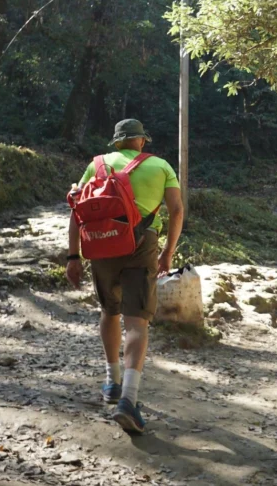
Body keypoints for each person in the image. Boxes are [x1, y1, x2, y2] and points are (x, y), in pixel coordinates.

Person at [65, 118, 183, 434]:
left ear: (117, 142)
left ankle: (112, 381)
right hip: (142, 246)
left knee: (109, 311)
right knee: (136, 322)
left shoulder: (97, 165)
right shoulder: (161, 166)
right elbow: (176, 210)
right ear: (141, 141)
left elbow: (77, 210)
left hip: (101, 245)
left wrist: (73, 256)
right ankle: (129, 399)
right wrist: (168, 252)